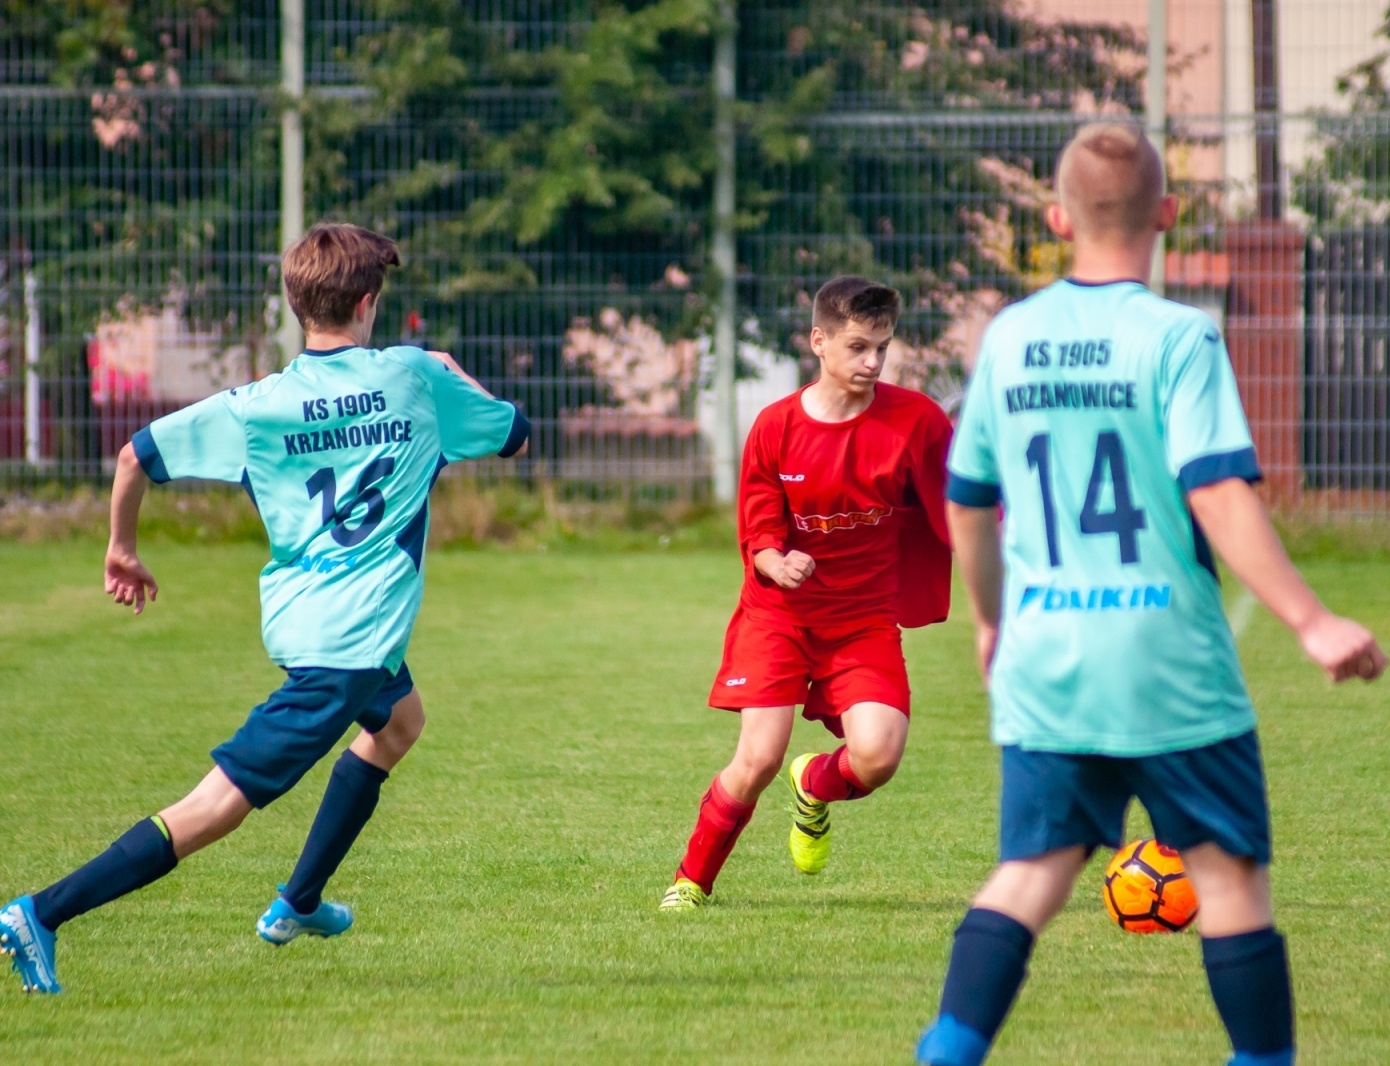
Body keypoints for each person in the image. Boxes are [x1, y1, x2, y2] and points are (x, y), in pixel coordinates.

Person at [914, 124, 1389, 1066]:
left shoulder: (1008, 337)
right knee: (1228, 882)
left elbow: (967, 500)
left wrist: (990, 620)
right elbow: (1217, 492)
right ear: (1168, 216)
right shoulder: (1179, 337)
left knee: (1030, 874)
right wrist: (1311, 617)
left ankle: (947, 1054)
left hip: (1047, 657)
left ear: (1056, 219)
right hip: (1168, 659)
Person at [1, 222, 531, 994]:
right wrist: (459, 376)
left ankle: (299, 902)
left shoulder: (258, 405)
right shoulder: (415, 378)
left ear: (298, 305)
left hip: (310, 625)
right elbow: (517, 433)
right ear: (368, 302)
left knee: (402, 723)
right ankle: (40, 913)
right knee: (213, 809)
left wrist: (121, 548)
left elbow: (134, 456)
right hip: (345, 649)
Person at [659, 276, 953, 910]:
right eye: (857, 347)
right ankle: (690, 882)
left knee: (876, 756)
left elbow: (961, 506)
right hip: (780, 617)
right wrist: (773, 559)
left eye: (882, 347)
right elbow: (758, 524)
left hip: (864, 622)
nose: (872, 362)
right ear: (818, 342)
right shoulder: (776, 426)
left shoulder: (917, 422)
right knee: (759, 756)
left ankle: (815, 786)